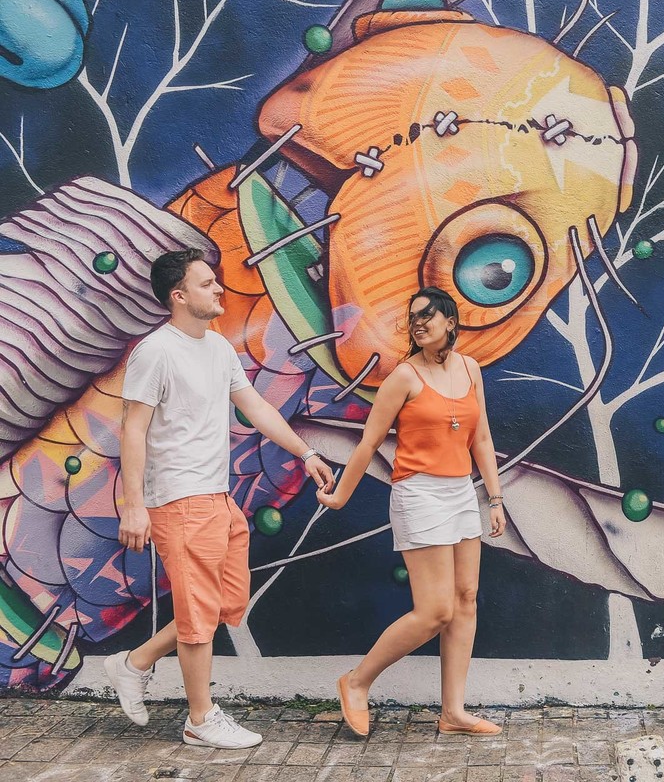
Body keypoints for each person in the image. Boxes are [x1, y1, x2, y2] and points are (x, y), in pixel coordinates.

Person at [105, 248, 335, 748]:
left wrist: (305, 452)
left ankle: (134, 663)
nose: (218, 289)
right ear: (179, 295)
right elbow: (133, 429)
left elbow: (256, 407)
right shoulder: (155, 352)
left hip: (218, 496)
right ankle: (200, 719)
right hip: (179, 499)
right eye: (207, 283)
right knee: (198, 616)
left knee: (224, 603)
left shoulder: (217, 348)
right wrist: (133, 506)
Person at [317, 286, 506, 737]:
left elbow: (481, 438)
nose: (418, 323)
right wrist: (341, 496)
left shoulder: (470, 369)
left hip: (461, 492)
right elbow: (369, 442)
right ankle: (357, 681)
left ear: (450, 322)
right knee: (436, 610)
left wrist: (495, 498)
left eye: (428, 315)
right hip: (419, 494)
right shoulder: (404, 376)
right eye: (413, 317)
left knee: (465, 599)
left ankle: (453, 712)